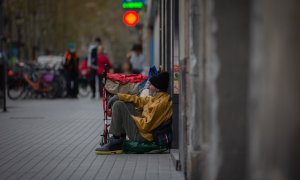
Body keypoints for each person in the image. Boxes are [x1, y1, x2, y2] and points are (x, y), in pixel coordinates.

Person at [95, 72, 172, 154]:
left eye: (151, 85)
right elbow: (139, 100)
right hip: (142, 128)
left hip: (143, 136)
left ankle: (116, 141)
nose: (148, 87)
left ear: (157, 88)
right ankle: (118, 138)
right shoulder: (157, 97)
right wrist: (119, 96)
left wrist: (130, 117)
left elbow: (146, 126)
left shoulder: (161, 103)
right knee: (119, 103)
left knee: (120, 106)